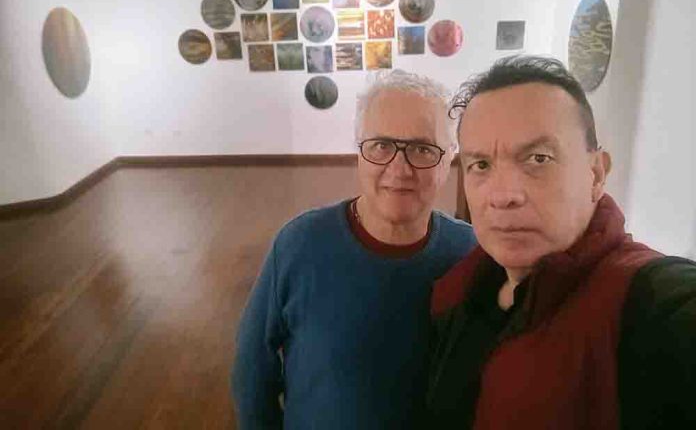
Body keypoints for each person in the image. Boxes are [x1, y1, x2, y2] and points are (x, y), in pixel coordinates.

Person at [427, 56, 696, 429]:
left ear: (596, 174)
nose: (502, 196)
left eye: (538, 158)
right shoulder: (461, 289)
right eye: (481, 165)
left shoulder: (650, 303)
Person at [232, 70, 477, 430]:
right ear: (359, 151)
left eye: (423, 149)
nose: (399, 169)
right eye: (381, 145)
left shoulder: (471, 254)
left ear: (449, 157)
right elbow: (253, 365)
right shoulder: (300, 244)